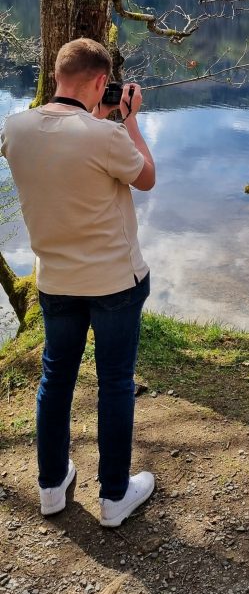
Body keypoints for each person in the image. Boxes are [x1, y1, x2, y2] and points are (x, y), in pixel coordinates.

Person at [1, 37, 156, 527]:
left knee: (56, 379)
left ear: (54, 73)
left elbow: (59, 145)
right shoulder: (105, 136)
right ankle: (114, 496)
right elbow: (146, 176)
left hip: (56, 281)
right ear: (97, 81)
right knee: (113, 383)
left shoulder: (13, 129)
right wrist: (126, 117)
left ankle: (51, 486)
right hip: (114, 282)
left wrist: (97, 112)